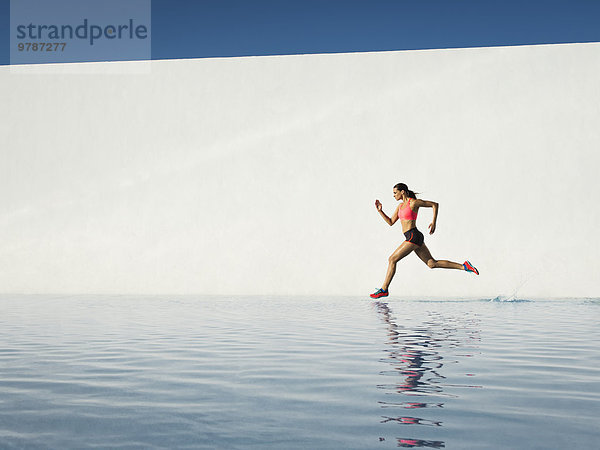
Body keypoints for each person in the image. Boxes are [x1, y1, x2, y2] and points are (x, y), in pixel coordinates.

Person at [370, 183, 478, 299]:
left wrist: (434, 222)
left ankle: (384, 289)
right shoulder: (400, 207)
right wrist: (380, 211)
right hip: (412, 237)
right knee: (432, 263)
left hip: (413, 236)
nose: (394, 195)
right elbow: (391, 222)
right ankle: (464, 266)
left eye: (395, 193)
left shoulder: (414, 203)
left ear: (402, 192)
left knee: (392, 259)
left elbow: (434, 205)